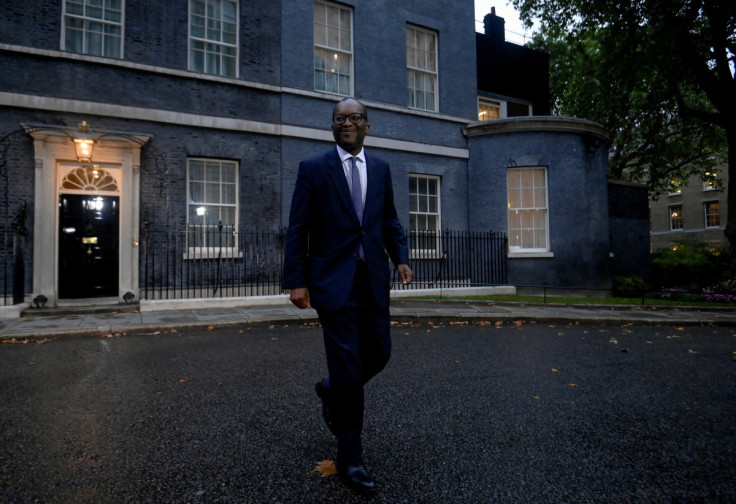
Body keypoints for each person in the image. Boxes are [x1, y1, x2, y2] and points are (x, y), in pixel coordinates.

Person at [283, 97, 413, 494]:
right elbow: (298, 226)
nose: (347, 123)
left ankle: (329, 388)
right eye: (340, 118)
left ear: (367, 126)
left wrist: (401, 258)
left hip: (372, 277)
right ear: (333, 126)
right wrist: (297, 280)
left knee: (380, 353)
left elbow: (388, 219)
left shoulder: (380, 168)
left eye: (355, 117)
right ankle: (350, 458)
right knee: (347, 367)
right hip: (332, 282)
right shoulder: (313, 169)